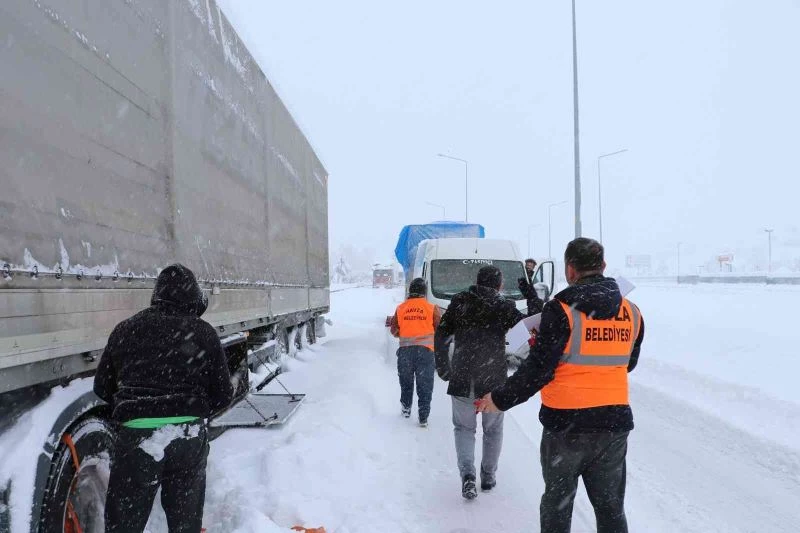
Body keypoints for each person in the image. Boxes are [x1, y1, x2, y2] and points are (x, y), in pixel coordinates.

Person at [477, 238, 645, 533]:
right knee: (610, 509)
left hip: (566, 426)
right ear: (603, 266)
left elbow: (538, 370)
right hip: (613, 425)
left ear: (569, 269)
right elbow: (627, 363)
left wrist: (500, 399)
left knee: (558, 506)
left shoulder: (561, 309)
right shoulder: (632, 312)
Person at [94, 263, 234, 533]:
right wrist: (193, 410)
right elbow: (223, 394)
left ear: (156, 294)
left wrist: (136, 408)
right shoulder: (203, 332)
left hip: (137, 437)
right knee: (185, 523)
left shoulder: (125, 329)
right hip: (188, 435)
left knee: (123, 524)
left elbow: (102, 387)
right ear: (194, 298)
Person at [434, 265, 525, 500]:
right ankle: (488, 476)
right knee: (493, 429)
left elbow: (442, 333)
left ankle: (468, 476)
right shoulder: (504, 305)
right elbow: (524, 332)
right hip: (492, 377)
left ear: (477, 281)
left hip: (463, 375)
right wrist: (504, 342)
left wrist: (443, 366)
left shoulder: (460, 301)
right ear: (499, 284)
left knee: (464, 428)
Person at [390, 277, 441, 426]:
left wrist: (406, 332)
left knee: (406, 382)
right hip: (426, 352)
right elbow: (439, 329)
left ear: (410, 291)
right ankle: (423, 417)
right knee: (425, 384)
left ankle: (406, 410)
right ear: (424, 292)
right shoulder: (432, 309)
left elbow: (394, 330)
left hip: (405, 352)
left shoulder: (401, 308)